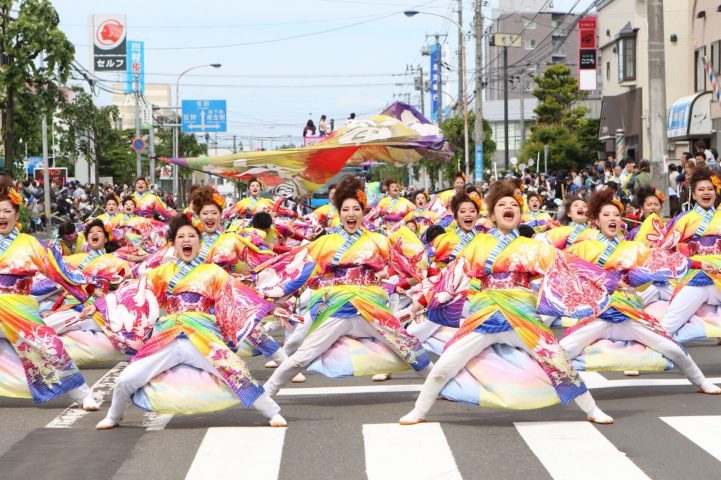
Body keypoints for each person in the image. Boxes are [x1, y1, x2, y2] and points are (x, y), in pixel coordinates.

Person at [399, 181, 614, 425]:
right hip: (486, 313)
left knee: (557, 359)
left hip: (521, 314)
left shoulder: (532, 247)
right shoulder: (479, 244)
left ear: (519, 215)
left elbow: (564, 266)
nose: (509, 207)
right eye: (502, 204)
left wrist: (604, 282)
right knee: (447, 363)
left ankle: (591, 409)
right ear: (492, 215)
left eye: (513, 205)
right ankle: (419, 410)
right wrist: (421, 300)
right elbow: (452, 274)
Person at [95, 214, 286, 430]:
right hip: (168, 336)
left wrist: (272, 308)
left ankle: (273, 412)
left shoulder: (212, 272)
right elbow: (134, 291)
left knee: (235, 373)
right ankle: (114, 416)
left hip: (202, 336)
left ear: (199, 242)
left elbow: (238, 296)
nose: (186, 240)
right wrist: (99, 304)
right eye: (181, 237)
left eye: (191, 236)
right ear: (175, 246)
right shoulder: (162, 272)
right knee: (127, 378)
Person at [256, 175, 433, 396]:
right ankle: (265, 394)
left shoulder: (377, 240)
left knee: (409, 347)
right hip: (337, 308)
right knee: (302, 356)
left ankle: (439, 385)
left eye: (356, 209)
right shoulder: (325, 242)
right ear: (339, 213)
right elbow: (304, 270)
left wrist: (399, 276)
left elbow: (403, 264)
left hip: (370, 307)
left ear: (363, 212)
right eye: (346, 209)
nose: (351, 214)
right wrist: (280, 292)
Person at [560, 188, 720, 393]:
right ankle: (557, 395)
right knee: (559, 354)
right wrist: (606, 281)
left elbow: (662, 258)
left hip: (629, 313)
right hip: (597, 315)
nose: (612, 219)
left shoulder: (632, 248)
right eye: (606, 215)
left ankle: (701, 382)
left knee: (673, 349)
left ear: (621, 220)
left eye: (616, 215)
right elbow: (562, 268)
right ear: (596, 221)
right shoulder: (582, 249)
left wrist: (696, 264)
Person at [0, 178, 98, 410]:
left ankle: (83, 394)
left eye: (6, 211)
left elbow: (59, 272)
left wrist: (89, 293)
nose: (1, 216)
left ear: (16, 213)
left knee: (49, 347)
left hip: (19, 306)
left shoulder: (30, 244)